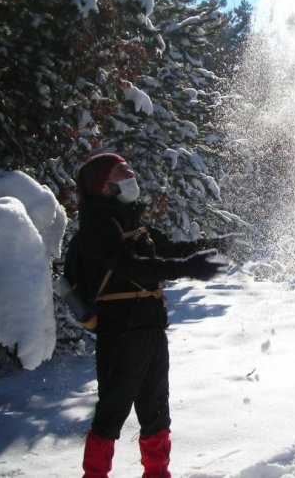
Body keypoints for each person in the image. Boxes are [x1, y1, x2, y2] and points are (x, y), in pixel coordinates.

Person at [75, 152, 227, 478]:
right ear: (103, 184)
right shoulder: (97, 225)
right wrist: (186, 269)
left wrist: (216, 246)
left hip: (151, 328)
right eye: (122, 171)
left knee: (157, 413)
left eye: (129, 168)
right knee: (111, 415)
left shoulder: (132, 223)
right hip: (121, 333)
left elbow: (170, 248)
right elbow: (128, 266)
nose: (130, 175)